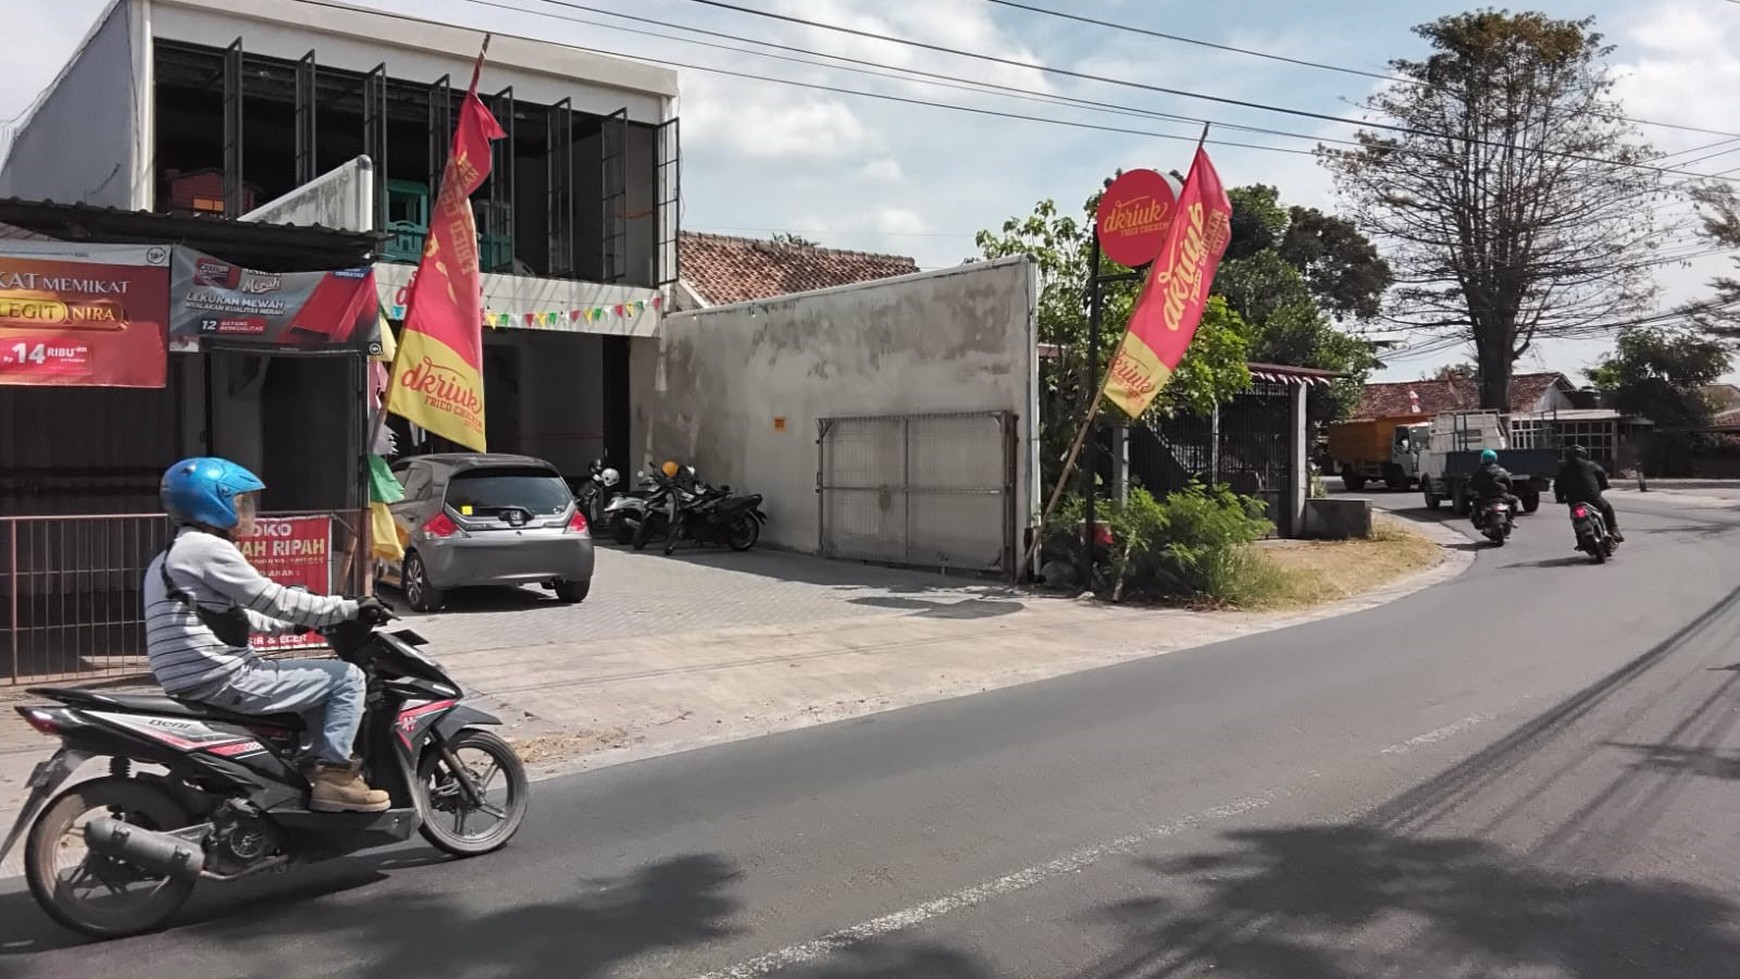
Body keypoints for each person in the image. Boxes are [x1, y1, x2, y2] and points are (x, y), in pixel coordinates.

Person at [143, 457, 393, 813]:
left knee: (315, 684)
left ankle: (306, 767)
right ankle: (337, 779)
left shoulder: (169, 556)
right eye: (242, 503)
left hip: (191, 677)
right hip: (223, 676)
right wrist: (349, 607)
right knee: (348, 679)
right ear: (214, 504)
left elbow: (242, 615)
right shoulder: (207, 548)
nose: (249, 513)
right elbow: (274, 599)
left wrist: (296, 625)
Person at [1553, 444, 1623, 542]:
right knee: (1607, 509)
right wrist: (1603, 486)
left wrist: (1559, 498)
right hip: (1592, 498)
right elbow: (1602, 475)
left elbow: (1558, 485)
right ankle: (1614, 531)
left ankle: (1580, 538)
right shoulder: (1591, 465)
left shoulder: (1563, 469)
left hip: (1574, 500)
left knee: (1575, 518)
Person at [1469, 449, 1522, 527]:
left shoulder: (1479, 471)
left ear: (1482, 459)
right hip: (1501, 496)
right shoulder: (1502, 470)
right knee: (1514, 500)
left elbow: (1473, 485)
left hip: (1485, 496)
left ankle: (1479, 520)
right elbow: (1509, 484)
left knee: (1476, 502)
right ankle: (1511, 519)